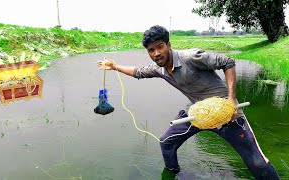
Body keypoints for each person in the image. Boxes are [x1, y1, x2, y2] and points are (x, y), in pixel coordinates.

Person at [96, 25, 280, 179]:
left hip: (227, 115)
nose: (156, 53)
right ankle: (174, 173)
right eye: (151, 50)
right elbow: (138, 72)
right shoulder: (159, 69)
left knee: (257, 163)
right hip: (199, 115)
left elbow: (228, 62)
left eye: (160, 47)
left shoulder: (191, 57)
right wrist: (114, 67)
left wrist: (231, 101)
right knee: (166, 141)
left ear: (168, 45)